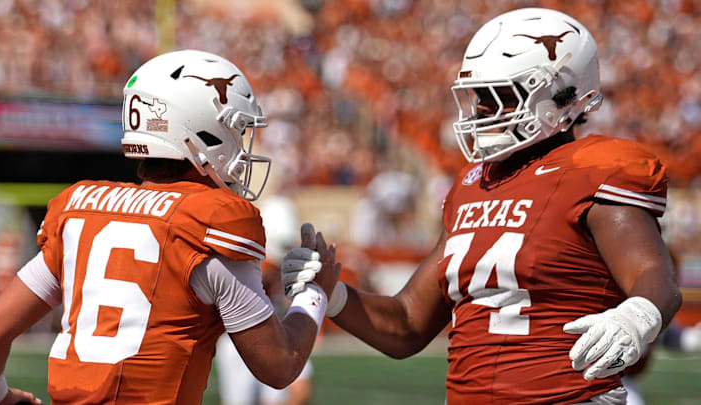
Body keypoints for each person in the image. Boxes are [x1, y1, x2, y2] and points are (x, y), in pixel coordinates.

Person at [282, 8, 681, 404]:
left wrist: (637, 316)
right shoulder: (474, 184)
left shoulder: (595, 167)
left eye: (503, 95)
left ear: (563, 97)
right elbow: (406, 324)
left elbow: (653, 275)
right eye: (480, 97)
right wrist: (333, 296)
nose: (484, 111)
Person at [0, 49, 339, 405]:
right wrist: (314, 294)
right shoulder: (209, 222)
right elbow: (278, 366)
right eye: (235, 130)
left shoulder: (79, 211)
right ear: (201, 133)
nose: (242, 148)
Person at [216, 196, 314, 405]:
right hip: (242, 338)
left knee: (297, 392)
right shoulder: (252, 264)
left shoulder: (281, 263)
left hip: (278, 334)